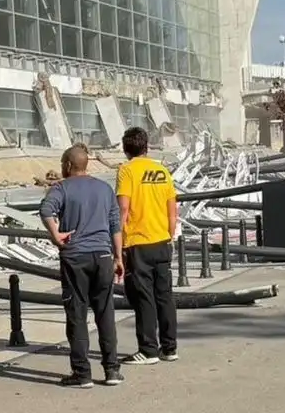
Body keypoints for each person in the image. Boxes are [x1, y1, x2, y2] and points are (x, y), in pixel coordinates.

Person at [39, 143, 124, 388]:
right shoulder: (105, 188)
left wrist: (56, 234)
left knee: (77, 314)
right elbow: (115, 225)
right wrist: (118, 258)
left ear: (67, 165)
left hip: (75, 257)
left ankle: (82, 373)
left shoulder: (61, 188)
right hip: (103, 256)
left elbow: (46, 210)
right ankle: (112, 370)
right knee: (105, 313)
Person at [116, 126, 179, 366]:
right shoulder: (162, 170)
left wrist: (118, 246)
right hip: (162, 241)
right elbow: (172, 211)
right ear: (146, 146)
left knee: (143, 298)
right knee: (164, 296)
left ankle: (148, 350)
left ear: (125, 149)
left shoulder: (127, 171)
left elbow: (123, 209)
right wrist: (169, 237)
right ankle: (169, 347)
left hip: (138, 244)